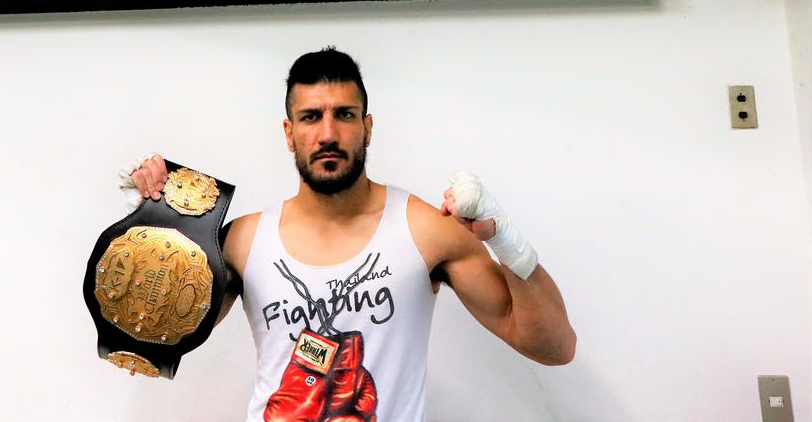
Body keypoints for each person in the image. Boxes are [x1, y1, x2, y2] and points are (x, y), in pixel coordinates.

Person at [122, 47, 576, 421]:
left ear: (367, 127)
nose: (328, 133)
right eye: (310, 117)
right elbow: (147, 345)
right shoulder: (244, 240)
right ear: (289, 133)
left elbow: (555, 347)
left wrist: (503, 236)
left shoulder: (425, 231)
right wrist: (154, 228)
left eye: (344, 114)